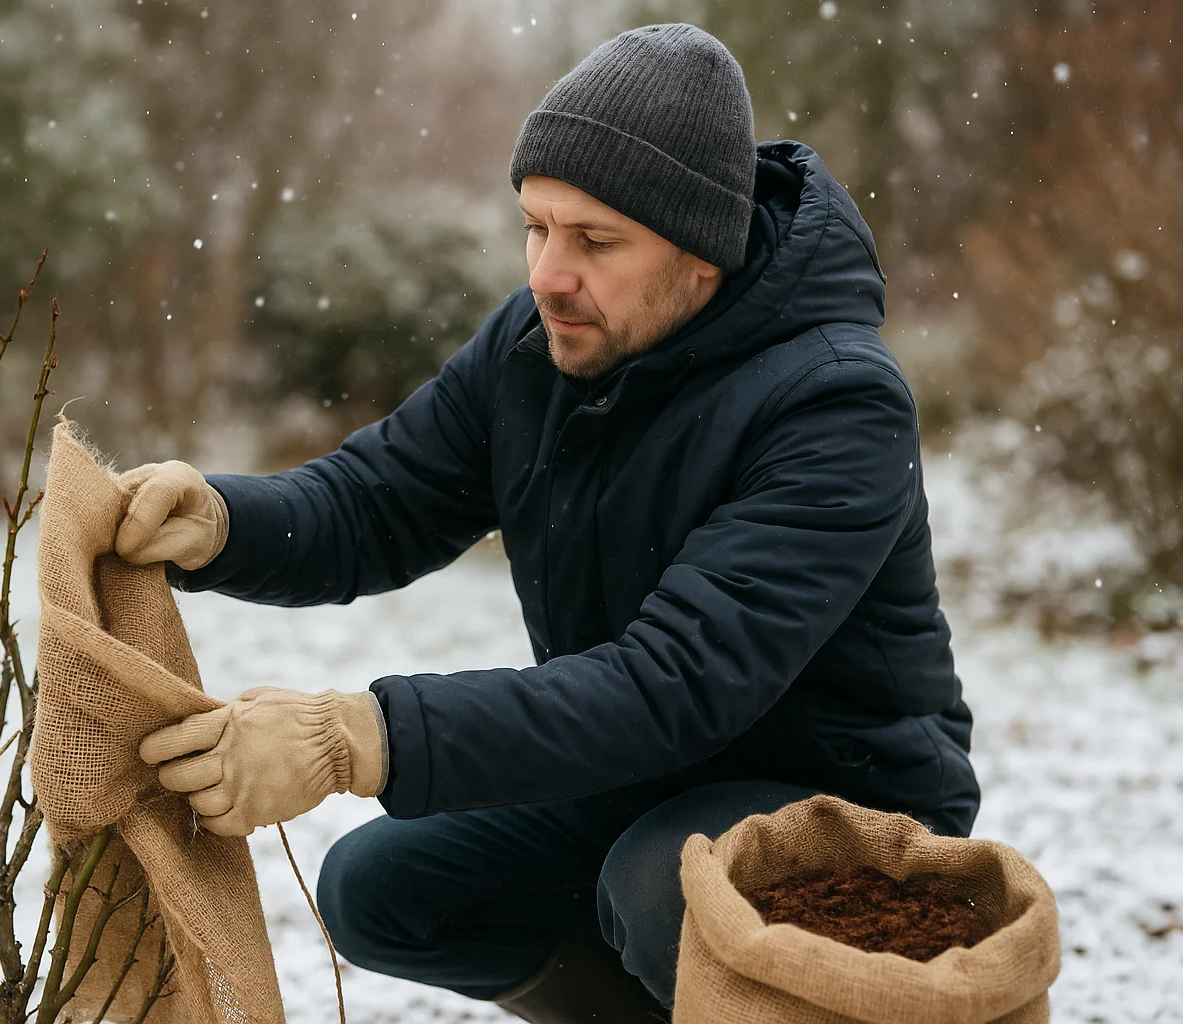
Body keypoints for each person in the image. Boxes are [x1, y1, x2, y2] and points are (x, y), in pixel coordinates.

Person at [115, 23, 979, 1021]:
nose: (546, 274)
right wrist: (221, 522)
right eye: (537, 225)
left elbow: (674, 683)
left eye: (594, 240)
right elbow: (377, 500)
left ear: (703, 248)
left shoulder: (835, 403)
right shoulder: (538, 346)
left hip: (847, 809)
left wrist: (356, 734)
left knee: (663, 886)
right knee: (385, 889)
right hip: (646, 772)